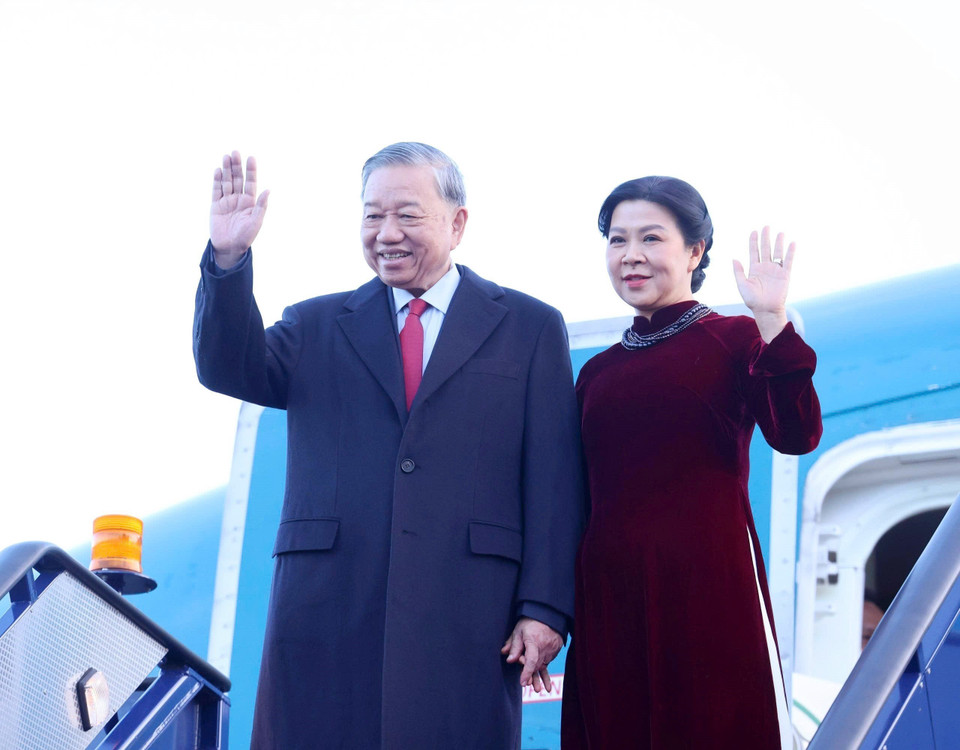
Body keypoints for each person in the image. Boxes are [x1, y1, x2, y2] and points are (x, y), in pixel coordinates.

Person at [193, 143, 585, 749]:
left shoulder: (529, 327)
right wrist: (228, 256)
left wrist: (544, 606)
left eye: (408, 215)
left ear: (457, 223)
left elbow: (553, 479)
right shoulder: (317, 324)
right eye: (373, 216)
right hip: (328, 606)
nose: (387, 234)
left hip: (468, 611)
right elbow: (227, 366)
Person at [560, 176, 823, 749]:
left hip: (707, 589)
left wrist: (772, 317)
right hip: (610, 598)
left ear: (695, 251)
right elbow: (574, 499)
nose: (631, 256)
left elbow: (797, 435)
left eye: (651, 238)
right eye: (617, 240)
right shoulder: (595, 374)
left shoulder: (736, 339)